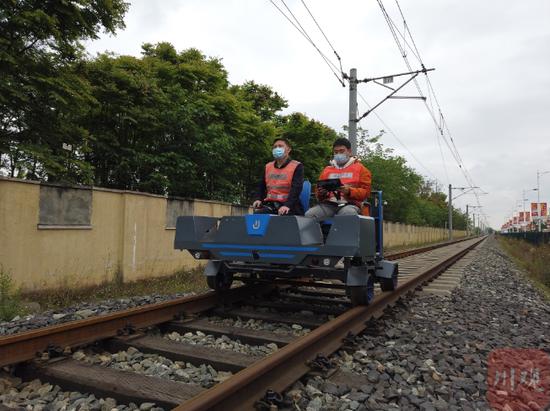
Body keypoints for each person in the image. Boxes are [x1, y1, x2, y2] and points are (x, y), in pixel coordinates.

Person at [305, 137, 371, 221]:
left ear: (349, 151)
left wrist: (349, 191)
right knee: (309, 215)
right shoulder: (327, 170)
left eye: (341, 151)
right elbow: (318, 193)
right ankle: (317, 234)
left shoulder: (361, 169)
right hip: (329, 204)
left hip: (351, 204)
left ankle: (344, 234)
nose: (338, 154)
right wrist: (322, 193)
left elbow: (366, 193)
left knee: (347, 214)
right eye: (336, 152)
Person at [252, 138, 304, 215]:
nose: (277, 148)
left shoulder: (297, 166)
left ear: (288, 150)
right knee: (257, 216)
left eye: (280, 146)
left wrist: (287, 205)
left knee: (282, 218)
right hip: (270, 205)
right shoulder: (268, 166)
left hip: (289, 206)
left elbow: (296, 188)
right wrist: (258, 199)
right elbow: (261, 186)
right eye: (275, 147)